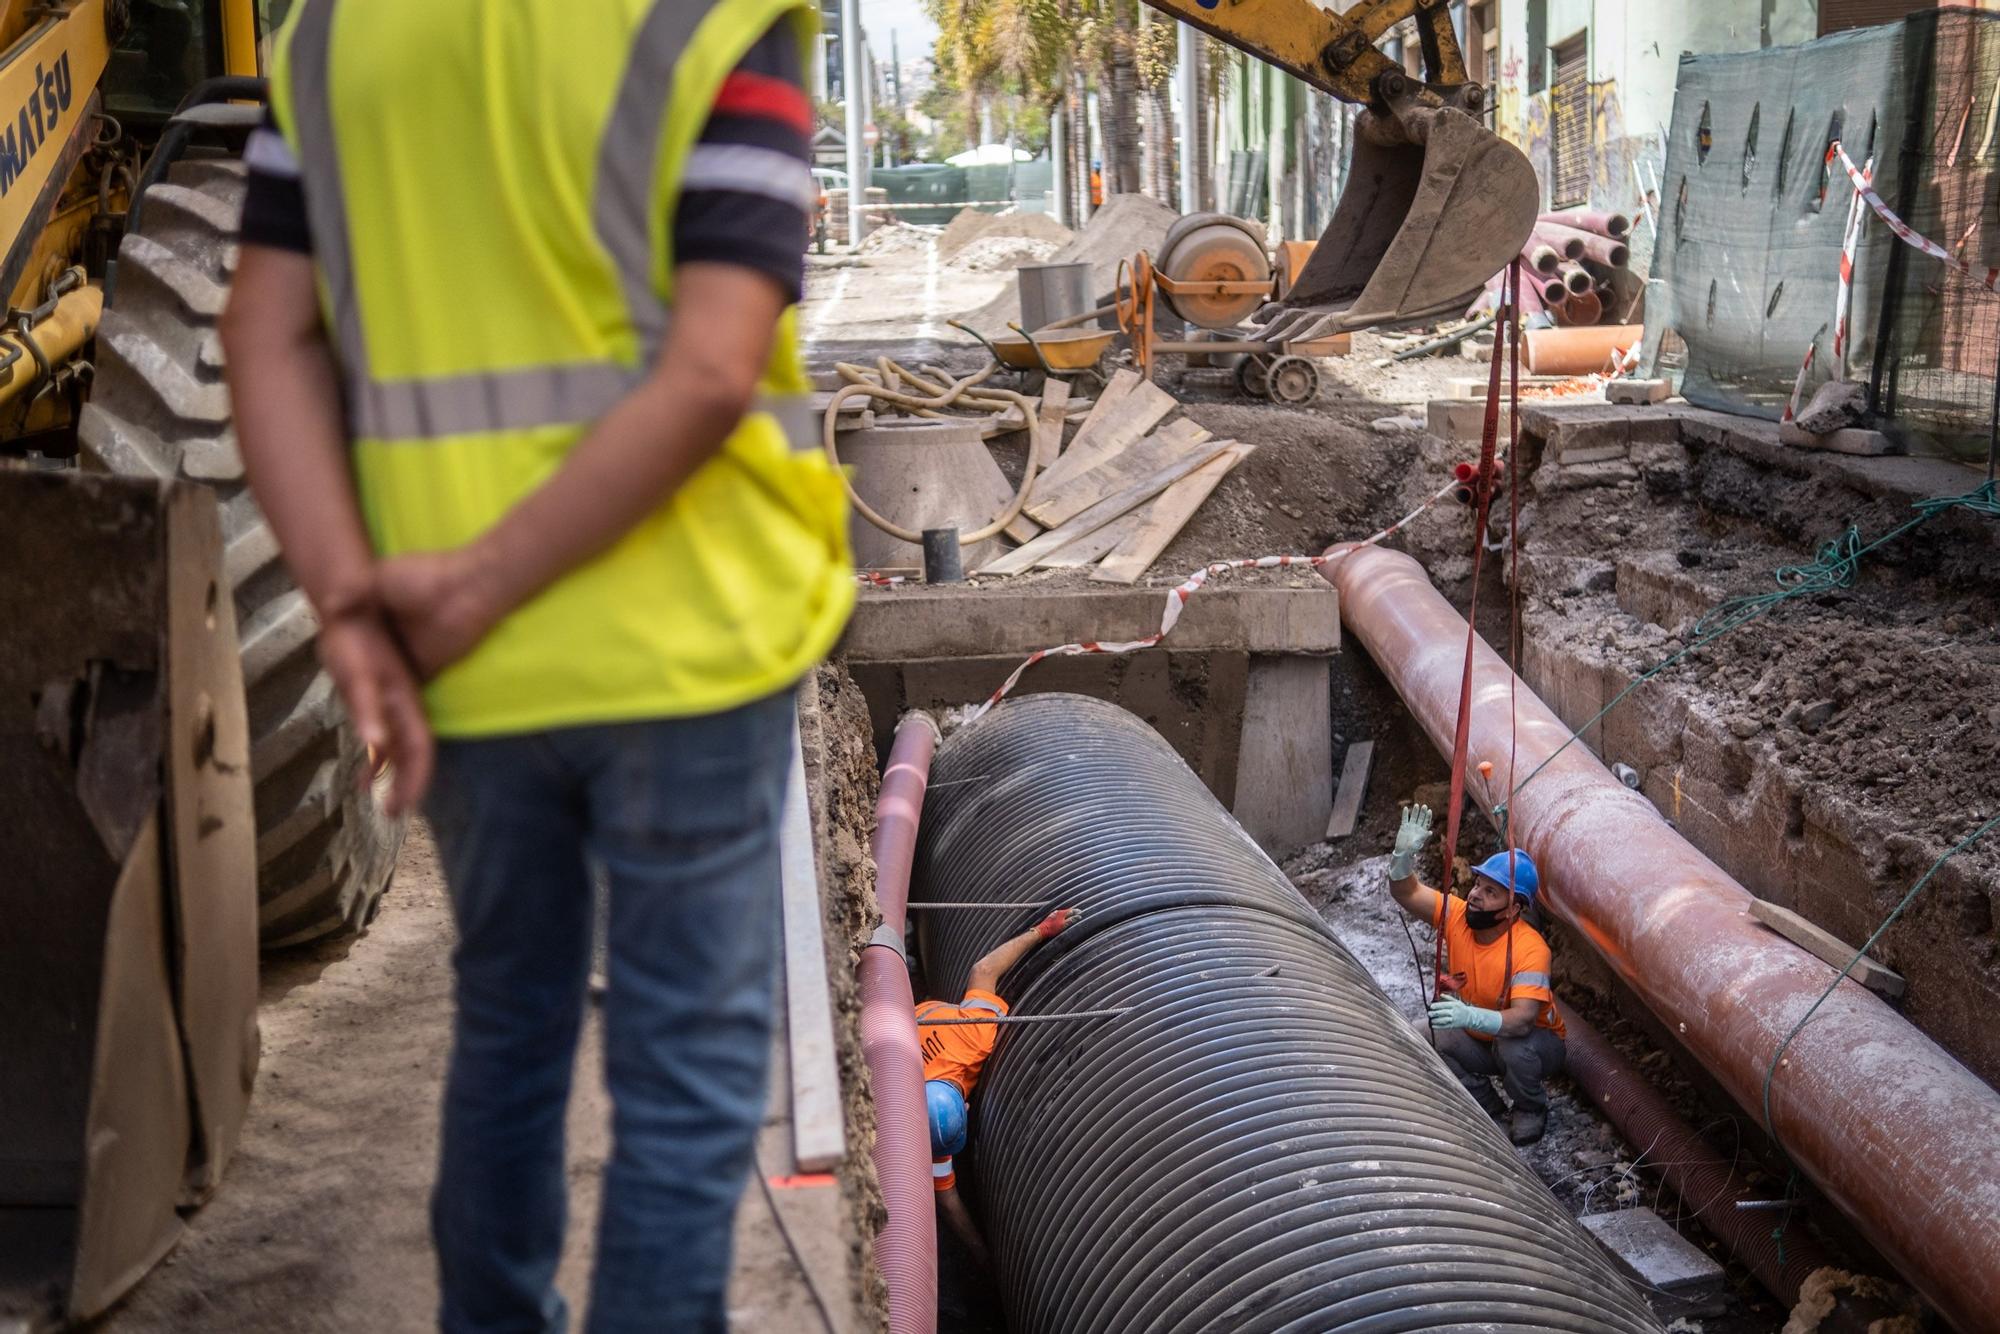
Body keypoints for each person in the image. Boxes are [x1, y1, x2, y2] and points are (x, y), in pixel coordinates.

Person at [221, 4, 851, 1331]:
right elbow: (713, 366)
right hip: (689, 640)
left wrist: (352, 603)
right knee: (683, 1090)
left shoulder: (334, 38)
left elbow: (262, 334)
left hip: (469, 666)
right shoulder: (709, 18)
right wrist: (481, 580)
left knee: (509, 1019)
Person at [1386, 806, 1567, 1146]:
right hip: (1484, 1037)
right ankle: (1489, 1109)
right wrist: (1402, 857)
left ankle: (1530, 1107)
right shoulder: (1457, 916)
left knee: (1512, 1047)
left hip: (1536, 1044)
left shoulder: (1531, 949)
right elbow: (1406, 892)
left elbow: (1525, 1020)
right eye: (1479, 885)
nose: (1475, 896)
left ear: (1513, 909)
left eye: (1491, 892)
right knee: (1428, 1034)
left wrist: (1469, 1015)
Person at [917, 906, 1081, 1263]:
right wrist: (1043, 930)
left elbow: (948, 1203)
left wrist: (1041, 931)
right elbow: (983, 969)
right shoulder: (967, 1040)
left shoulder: (970, 1037)